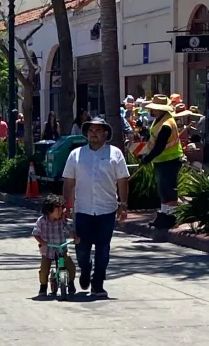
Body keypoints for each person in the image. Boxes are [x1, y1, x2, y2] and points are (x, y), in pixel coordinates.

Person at [62, 117, 129, 298]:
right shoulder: (76, 155)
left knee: (103, 249)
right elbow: (69, 181)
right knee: (81, 249)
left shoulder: (115, 154)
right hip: (82, 209)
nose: (94, 134)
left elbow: (122, 180)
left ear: (105, 133)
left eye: (98, 130)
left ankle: (98, 283)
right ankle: (85, 269)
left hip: (106, 209)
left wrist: (123, 205)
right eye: (91, 130)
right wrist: (64, 204)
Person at [140, 95, 185, 229]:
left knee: (168, 189)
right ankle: (163, 215)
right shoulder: (160, 121)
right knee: (163, 190)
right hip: (162, 160)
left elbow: (160, 146)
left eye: (154, 109)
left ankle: (171, 217)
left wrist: (147, 158)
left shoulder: (167, 124)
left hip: (170, 159)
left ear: (160, 110)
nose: (151, 111)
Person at [33, 194, 78, 297]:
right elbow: (35, 233)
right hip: (47, 250)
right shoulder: (42, 221)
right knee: (44, 269)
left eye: (61, 209)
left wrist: (75, 237)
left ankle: (70, 282)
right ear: (49, 211)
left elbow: (69, 230)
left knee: (70, 265)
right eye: (57, 209)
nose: (60, 211)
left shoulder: (61, 221)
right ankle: (43, 286)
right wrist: (41, 241)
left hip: (61, 248)